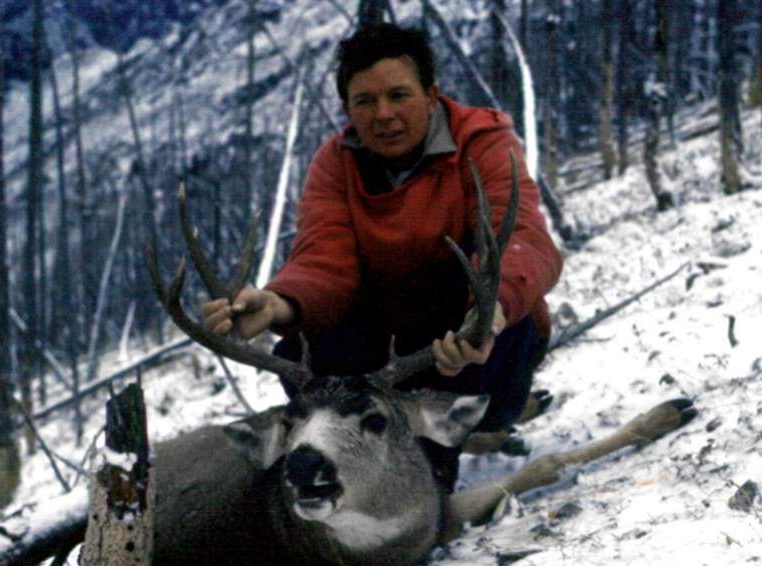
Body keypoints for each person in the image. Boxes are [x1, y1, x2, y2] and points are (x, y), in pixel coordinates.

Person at [202, 23, 562, 490]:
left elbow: (520, 237)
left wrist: (489, 314)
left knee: (485, 283)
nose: (383, 114)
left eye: (399, 95)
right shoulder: (337, 163)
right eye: (365, 102)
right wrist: (277, 304)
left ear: (431, 95)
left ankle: (450, 445)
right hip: (389, 342)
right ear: (348, 109)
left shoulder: (482, 142)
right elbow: (324, 259)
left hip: (475, 339)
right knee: (300, 352)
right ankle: (371, 457)